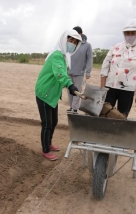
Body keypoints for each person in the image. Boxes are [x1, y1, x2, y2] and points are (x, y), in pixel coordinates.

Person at [35, 30, 82, 161]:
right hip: (44, 93)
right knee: (47, 123)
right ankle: (45, 149)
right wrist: (70, 85)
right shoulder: (57, 55)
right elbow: (60, 74)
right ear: (64, 39)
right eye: (70, 40)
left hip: (52, 94)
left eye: (74, 42)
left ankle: (48, 143)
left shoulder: (64, 56)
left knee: (54, 121)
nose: (72, 44)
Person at [100, 19, 136, 117]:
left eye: (133, 33)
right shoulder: (116, 47)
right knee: (104, 114)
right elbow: (105, 67)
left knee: (121, 116)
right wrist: (102, 87)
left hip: (128, 90)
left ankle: (117, 132)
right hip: (110, 88)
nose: (130, 35)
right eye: (127, 33)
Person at [67, 26, 93, 114]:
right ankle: (71, 107)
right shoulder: (72, 44)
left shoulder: (87, 46)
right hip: (69, 72)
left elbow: (89, 59)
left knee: (77, 91)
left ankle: (75, 109)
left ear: (80, 34)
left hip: (79, 73)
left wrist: (88, 72)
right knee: (70, 90)